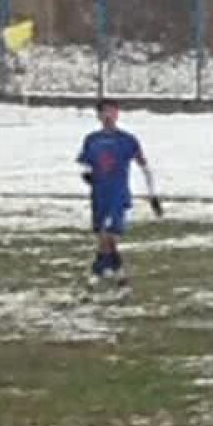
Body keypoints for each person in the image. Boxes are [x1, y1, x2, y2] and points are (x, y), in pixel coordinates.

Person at [76, 97, 163, 292]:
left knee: (108, 235)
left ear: (117, 114)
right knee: (104, 239)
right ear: (98, 115)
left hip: (118, 195)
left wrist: (153, 196)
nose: (108, 115)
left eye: (112, 111)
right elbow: (84, 163)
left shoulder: (127, 140)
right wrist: (87, 174)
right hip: (99, 195)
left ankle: (95, 276)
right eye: (104, 111)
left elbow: (145, 167)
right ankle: (120, 277)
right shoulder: (92, 140)